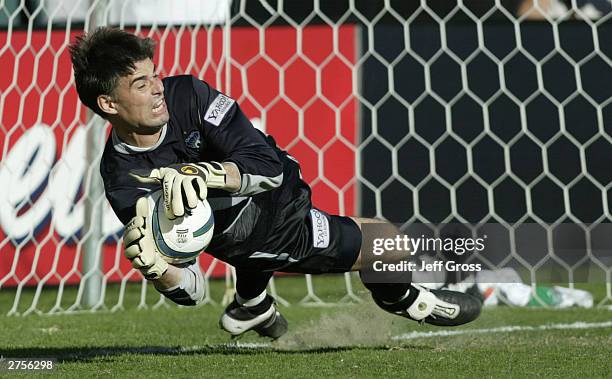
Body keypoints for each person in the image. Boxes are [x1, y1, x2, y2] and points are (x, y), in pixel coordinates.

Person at [69, 27, 481, 339]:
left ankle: (252, 305)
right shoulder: (125, 181)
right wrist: (160, 271)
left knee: (276, 181)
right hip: (267, 233)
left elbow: (265, 164)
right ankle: (413, 301)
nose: (158, 87)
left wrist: (205, 174)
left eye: (154, 75)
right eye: (141, 85)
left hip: (277, 187)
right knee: (388, 241)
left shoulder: (187, 94)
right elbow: (192, 291)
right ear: (108, 104)